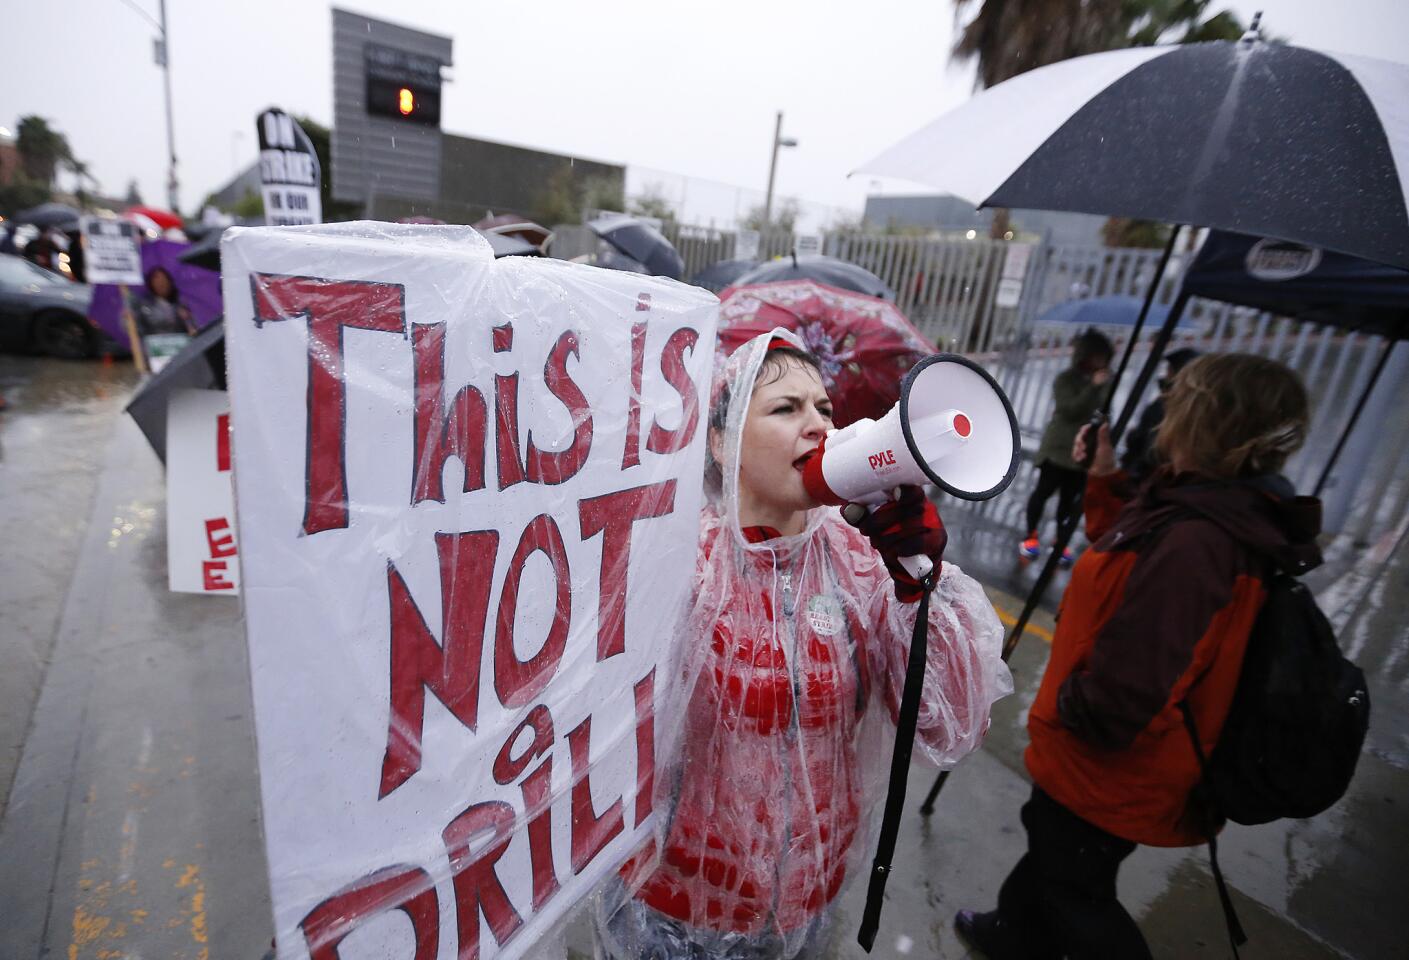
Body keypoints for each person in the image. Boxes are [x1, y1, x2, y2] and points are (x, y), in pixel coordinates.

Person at [594, 329, 1012, 960]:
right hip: (672, 905)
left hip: (809, 897)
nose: (817, 425)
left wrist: (919, 584)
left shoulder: (862, 561)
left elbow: (942, 729)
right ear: (719, 439)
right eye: (786, 408)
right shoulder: (673, 560)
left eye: (825, 409)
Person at [955, 353, 1319, 960]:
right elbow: (1125, 548)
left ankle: (1023, 933)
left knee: (1075, 887)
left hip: (1110, 762)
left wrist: (1076, 710)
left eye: (1178, 397)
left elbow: (1135, 681)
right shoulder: (1202, 506)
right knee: (1054, 853)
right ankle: (1012, 934)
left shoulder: (1201, 539)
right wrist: (1104, 474)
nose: (1165, 407)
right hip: (1104, 756)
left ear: (1205, 421)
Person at [1020, 329, 1113, 564]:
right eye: (1097, 356)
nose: (1100, 362)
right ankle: (1030, 535)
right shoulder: (1066, 379)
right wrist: (1092, 386)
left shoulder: (1105, 384)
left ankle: (1060, 542)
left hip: (1082, 452)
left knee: (1070, 501)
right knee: (1044, 492)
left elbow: (1102, 413)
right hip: (1058, 449)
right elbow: (1070, 409)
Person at [1119, 347, 1200, 482]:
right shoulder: (1164, 402)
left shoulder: (1175, 407)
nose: (1165, 375)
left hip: (1149, 477)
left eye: (1170, 371)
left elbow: (1153, 449)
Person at [133, 266, 196, 336]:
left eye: (164, 281)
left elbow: (193, 330)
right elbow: (139, 330)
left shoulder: (180, 303)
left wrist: (188, 321)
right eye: (157, 282)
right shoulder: (144, 306)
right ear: (151, 285)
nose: (161, 285)